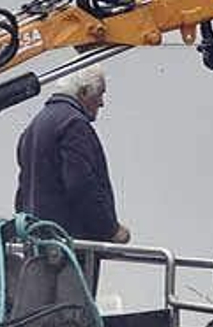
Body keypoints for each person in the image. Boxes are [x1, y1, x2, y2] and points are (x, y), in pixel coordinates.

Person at [15, 66, 130, 244]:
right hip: (69, 245)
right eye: (100, 94)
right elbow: (82, 185)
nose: (101, 103)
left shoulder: (35, 124)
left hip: (38, 241)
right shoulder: (74, 125)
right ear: (83, 92)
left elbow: (23, 190)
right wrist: (110, 230)